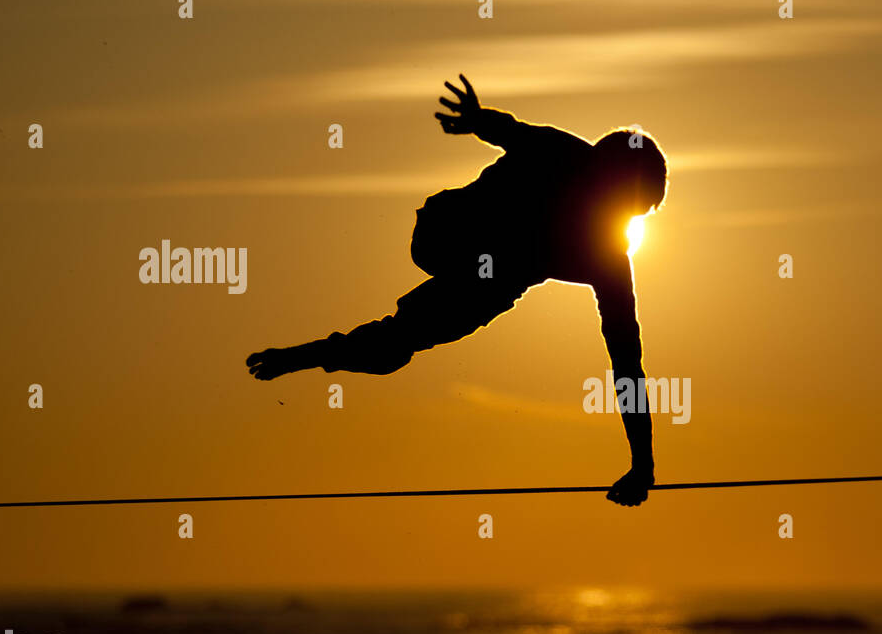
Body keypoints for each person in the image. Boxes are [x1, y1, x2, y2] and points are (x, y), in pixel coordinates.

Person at [246, 75, 667, 506]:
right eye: (621, 207)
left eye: (630, 217)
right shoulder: (561, 153)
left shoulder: (610, 257)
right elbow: (510, 130)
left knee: (392, 351)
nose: (619, 223)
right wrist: (475, 118)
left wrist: (643, 466)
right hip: (445, 229)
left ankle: (299, 356)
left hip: (489, 283)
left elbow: (627, 365)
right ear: (603, 173)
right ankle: (312, 354)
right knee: (496, 272)